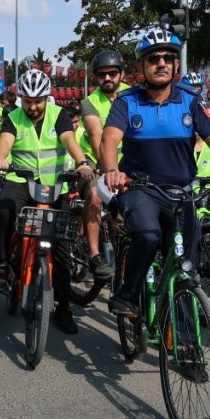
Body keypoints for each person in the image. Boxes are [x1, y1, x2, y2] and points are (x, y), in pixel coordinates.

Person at [100, 29, 210, 317]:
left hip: (181, 193)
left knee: (186, 266)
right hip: (140, 189)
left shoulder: (192, 100)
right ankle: (127, 294)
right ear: (141, 66)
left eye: (168, 58)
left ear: (175, 65)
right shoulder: (126, 101)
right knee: (147, 236)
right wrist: (112, 170)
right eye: (153, 58)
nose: (161, 63)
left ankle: (187, 349)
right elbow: (109, 140)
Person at [0, 69, 95, 334]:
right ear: (22, 98)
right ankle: (3, 266)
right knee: (4, 210)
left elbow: (68, 140)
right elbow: (5, 142)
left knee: (60, 251)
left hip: (54, 183)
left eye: (38, 101)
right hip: (21, 181)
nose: (33, 106)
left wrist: (82, 162)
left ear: (47, 98)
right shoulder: (12, 117)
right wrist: (2, 158)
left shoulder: (58, 115)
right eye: (28, 101)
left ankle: (63, 309)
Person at [79, 50, 131, 281]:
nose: (108, 78)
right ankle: (95, 255)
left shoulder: (134, 94)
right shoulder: (90, 102)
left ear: (121, 73)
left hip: (129, 160)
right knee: (96, 196)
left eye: (112, 73)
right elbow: (95, 134)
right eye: (102, 75)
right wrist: (110, 169)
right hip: (96, 160)